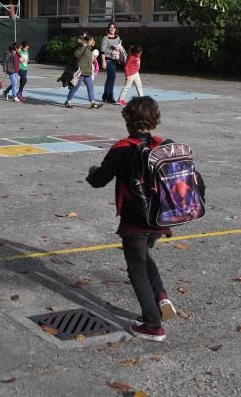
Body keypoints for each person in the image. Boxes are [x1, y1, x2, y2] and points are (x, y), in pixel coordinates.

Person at [87, 97, 200, 341]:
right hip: (162, 218)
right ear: (154, 120)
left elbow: (99, 181)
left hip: (135, 219)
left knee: (136, 268)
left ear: (127, 119)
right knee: (144, 256)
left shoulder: (122, 148)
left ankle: (152, 325)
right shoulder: (164, 146)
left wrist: (92, 172)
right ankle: (161, 296)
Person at [64, 35, 102, 109]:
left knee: (90, 88)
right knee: (75, 87)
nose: (93, 42)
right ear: (89, 41)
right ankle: (68, 101)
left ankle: (92, 103)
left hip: (88, 73)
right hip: (81, 72)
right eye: (92, 40)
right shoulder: (82, 47)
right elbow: (76, 54)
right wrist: (83, 46)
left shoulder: (89, 49)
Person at [100, 21, 126, 104]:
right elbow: (102, 51)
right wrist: (103, 62)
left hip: (115, 59)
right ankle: (110, 96)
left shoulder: (117, 37)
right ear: (108, 28)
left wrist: (118, 49)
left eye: (114, 27)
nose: (112, 29)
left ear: (116, 29)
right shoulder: (105, 38)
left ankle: (105, 95)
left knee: (110, 78)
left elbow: (119, 46)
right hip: (108, 59)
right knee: (113, 76)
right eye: (111, 27)